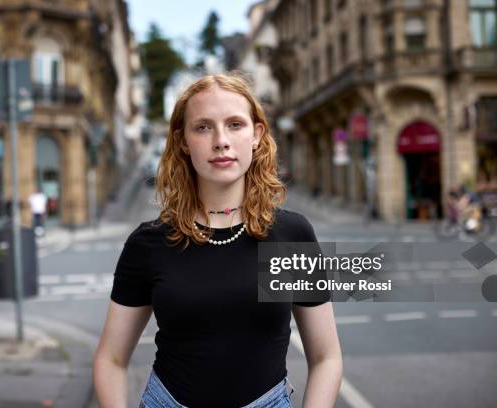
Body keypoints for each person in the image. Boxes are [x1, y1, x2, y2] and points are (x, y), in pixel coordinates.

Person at [93, 73, 342, 407]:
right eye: (203, 127)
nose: (221, 140)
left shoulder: (288, 236)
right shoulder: (150, 243)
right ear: (183, 141)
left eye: (235, 124)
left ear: (257, 135)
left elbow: (326, 357)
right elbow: (111, 359)